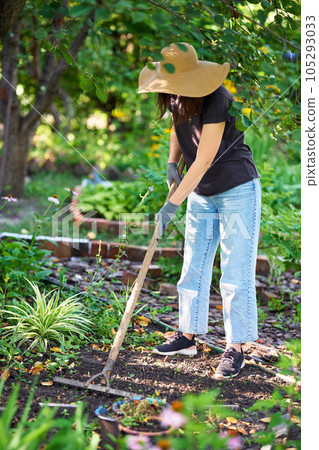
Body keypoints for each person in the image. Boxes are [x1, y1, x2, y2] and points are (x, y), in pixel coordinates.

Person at [138, 43, 261, 379]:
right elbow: (177, 129)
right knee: (194, 263)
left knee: (235, 271)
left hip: (237, 187)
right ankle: (188, 336)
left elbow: (205, 157)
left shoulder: (217, 97)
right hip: (201, 191)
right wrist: (171, 164)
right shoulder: (177, 92)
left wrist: (172, 203)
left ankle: (236, 348)